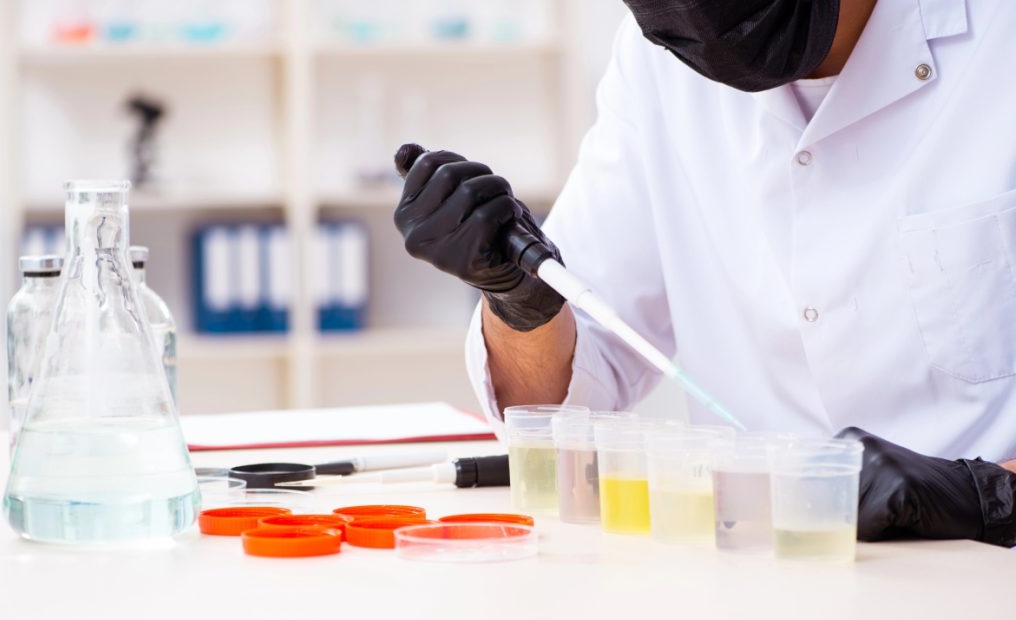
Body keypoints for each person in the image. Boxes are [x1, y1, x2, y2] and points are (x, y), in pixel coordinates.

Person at [393, 0, 1016, 545]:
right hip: (758, 566)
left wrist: (983, 496)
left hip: (987, 579)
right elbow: (557, 415)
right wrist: (520, 300)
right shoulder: (660, 63)